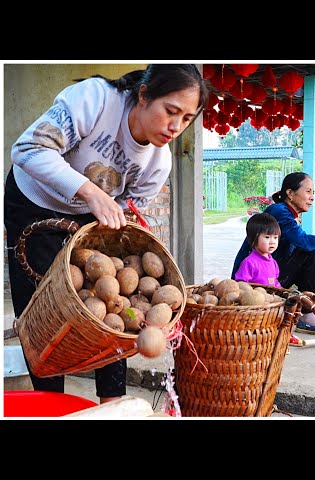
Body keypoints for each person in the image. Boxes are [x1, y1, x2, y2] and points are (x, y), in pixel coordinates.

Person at [4, 64, 210, 404]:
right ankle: (50, 402)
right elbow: (27, 150)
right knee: (41, 310)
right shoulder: (97, 100)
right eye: (170, 111)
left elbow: (128, 211)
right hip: (34, 198)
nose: (176, 127)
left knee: (113, 304)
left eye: (187, 118)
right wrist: (90, 192)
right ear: (143, 95)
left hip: (91, 209)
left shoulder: (158, 163)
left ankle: (114, 405)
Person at [232, 172, 315, 335]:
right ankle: (309, 316)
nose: (311, 198)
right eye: (308, 191)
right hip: (256, 283)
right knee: (311, 250)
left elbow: (298, 257)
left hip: (270, 278)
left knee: (308, 250)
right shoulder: (279, 211)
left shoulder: (286, 214)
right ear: (290, 193)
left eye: (313, 193)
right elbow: (303, 241)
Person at [234, 213, 283, 288]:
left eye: (275, 237)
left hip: (270, 298)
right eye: (267, 237)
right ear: (254, 239)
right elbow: (241, 284)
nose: (272, 241)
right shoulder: (249, 263)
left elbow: (275, 282)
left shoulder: (273, 263)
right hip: (253, 298)